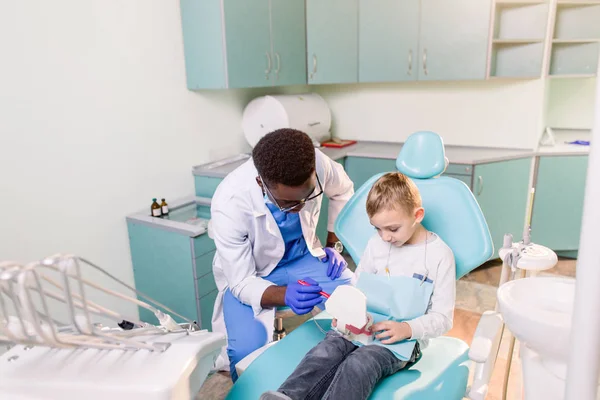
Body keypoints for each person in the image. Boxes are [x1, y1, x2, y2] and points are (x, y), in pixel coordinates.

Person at [260, 172, 456, 400]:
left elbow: (443, 318)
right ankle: (287, 396)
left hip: (400, 341)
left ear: (417, 215)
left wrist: (407, 329)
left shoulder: (439, 256)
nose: (385, 237)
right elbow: (358, 289)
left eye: (392, 229)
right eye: (377, 229)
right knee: (326, 351)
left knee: (359, 363)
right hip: (360, 327)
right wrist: (346, 315)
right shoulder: (377, 244)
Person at [209, 128, 356, 381]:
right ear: (261, 183)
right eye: (288, 204)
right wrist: (286, 294)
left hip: (301, 256)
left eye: (307, 197)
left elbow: (343, 192)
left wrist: (334, 244)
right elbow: (242, 282)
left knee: (356, 302)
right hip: (251, 274)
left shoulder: (317, 162)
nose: (299, 207)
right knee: (246, 353)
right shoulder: (230, 202)